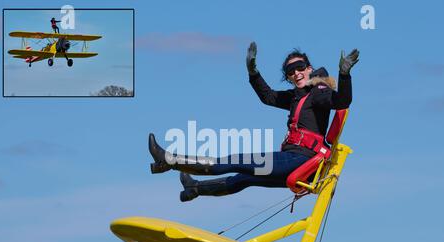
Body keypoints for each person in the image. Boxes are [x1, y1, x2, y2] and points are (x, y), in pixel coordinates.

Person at [149, 42, 359, 202]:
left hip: (301, 159)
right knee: (244, 178)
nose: (296, 73)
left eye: (299, 67)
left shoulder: (318, 93)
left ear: (309, 68)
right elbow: (268, 97)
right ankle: (195, 188)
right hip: (297, 162)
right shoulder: (297, 97)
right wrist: (253, 72)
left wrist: (344, 74)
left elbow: (342, 101)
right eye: (290, 72)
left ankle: (169, 160)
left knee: (234, 161)